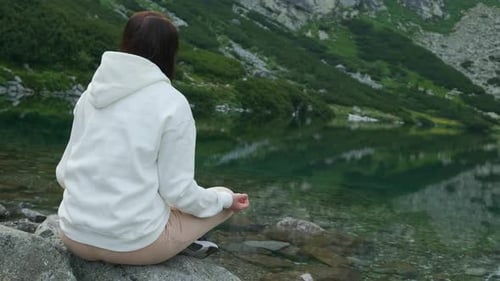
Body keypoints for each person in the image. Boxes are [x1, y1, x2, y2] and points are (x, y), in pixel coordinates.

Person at [55, 11, 249, 265]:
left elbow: (63, 173)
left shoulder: (90, 95)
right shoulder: (172, 103)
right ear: (171, 52)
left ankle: (177, 239)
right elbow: (178, 192)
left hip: (73, 236)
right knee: (222, 196)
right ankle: (181, 243)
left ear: (125, 43)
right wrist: (224, 200)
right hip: (134, 248)